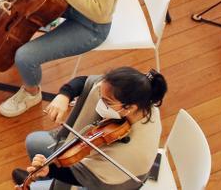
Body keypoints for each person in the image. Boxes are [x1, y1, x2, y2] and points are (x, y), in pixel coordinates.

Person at [22, 67, 167, 189]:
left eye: (106, 101)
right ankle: (43, 182)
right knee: (39, 143)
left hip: (114, 183)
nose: (100, 101)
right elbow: (87, 82)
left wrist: (49, 170)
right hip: (99, 169)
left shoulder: (132, 152)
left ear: (129, 107)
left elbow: (84, 176)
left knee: (34, 142)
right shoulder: (142, 101)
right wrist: (64, 95)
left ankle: (43, 183)